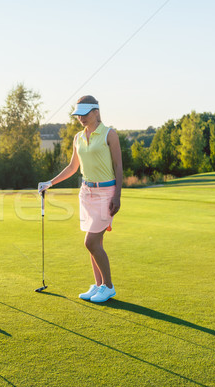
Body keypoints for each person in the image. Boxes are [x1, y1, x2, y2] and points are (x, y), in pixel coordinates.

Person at [38, 95, 123, 303]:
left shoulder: (109, 134)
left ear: (96, 112)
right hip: (86, 193)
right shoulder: (78, 137)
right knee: (95, 243)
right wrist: (50, 182)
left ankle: (109, 286)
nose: (81, 118)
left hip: (106, 193)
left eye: (85, 114)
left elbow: (119, 167)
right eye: (78, 115)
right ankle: (98, 285)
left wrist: (118, 195)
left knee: (91, 242)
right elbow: (72, 167)